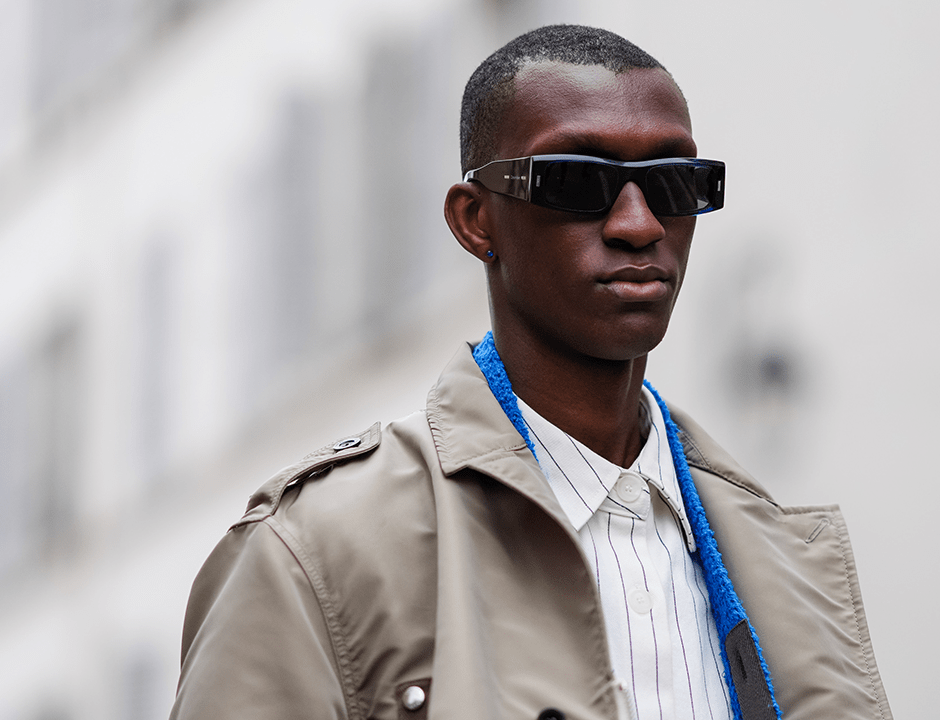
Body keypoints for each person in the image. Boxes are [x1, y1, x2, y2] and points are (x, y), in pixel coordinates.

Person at [171, 24, 891, 720]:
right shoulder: (316, 553)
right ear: (476, 221)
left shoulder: (781, 563)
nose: (639, 223)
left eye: (674, 182)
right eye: (577, 181)